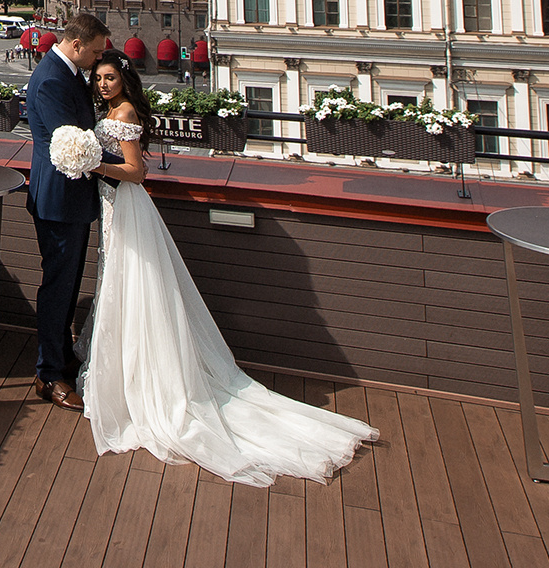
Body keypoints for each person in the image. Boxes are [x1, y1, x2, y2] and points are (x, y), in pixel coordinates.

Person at [77, 50, 377, 484]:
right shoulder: (111, 108)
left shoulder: (122, 113)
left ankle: (141, 384)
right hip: (117, 206)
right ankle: (129, 373)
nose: (103, 85)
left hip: (127, 205)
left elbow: (137, 171)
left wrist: (94, 164)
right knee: (126, 286)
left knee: (134, 285)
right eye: (98, 78)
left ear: (124, 80)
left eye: (109, 77)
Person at [24, 12, 106, 408]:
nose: (96, 61)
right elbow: (70, 143)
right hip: (58, 199)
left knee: (69, 283)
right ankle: (48, 375)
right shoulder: (53, 79)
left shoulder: (66, 71)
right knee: (58, 287)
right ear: (76, 45)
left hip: (69, 199)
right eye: (94, 53)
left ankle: (60, 357)